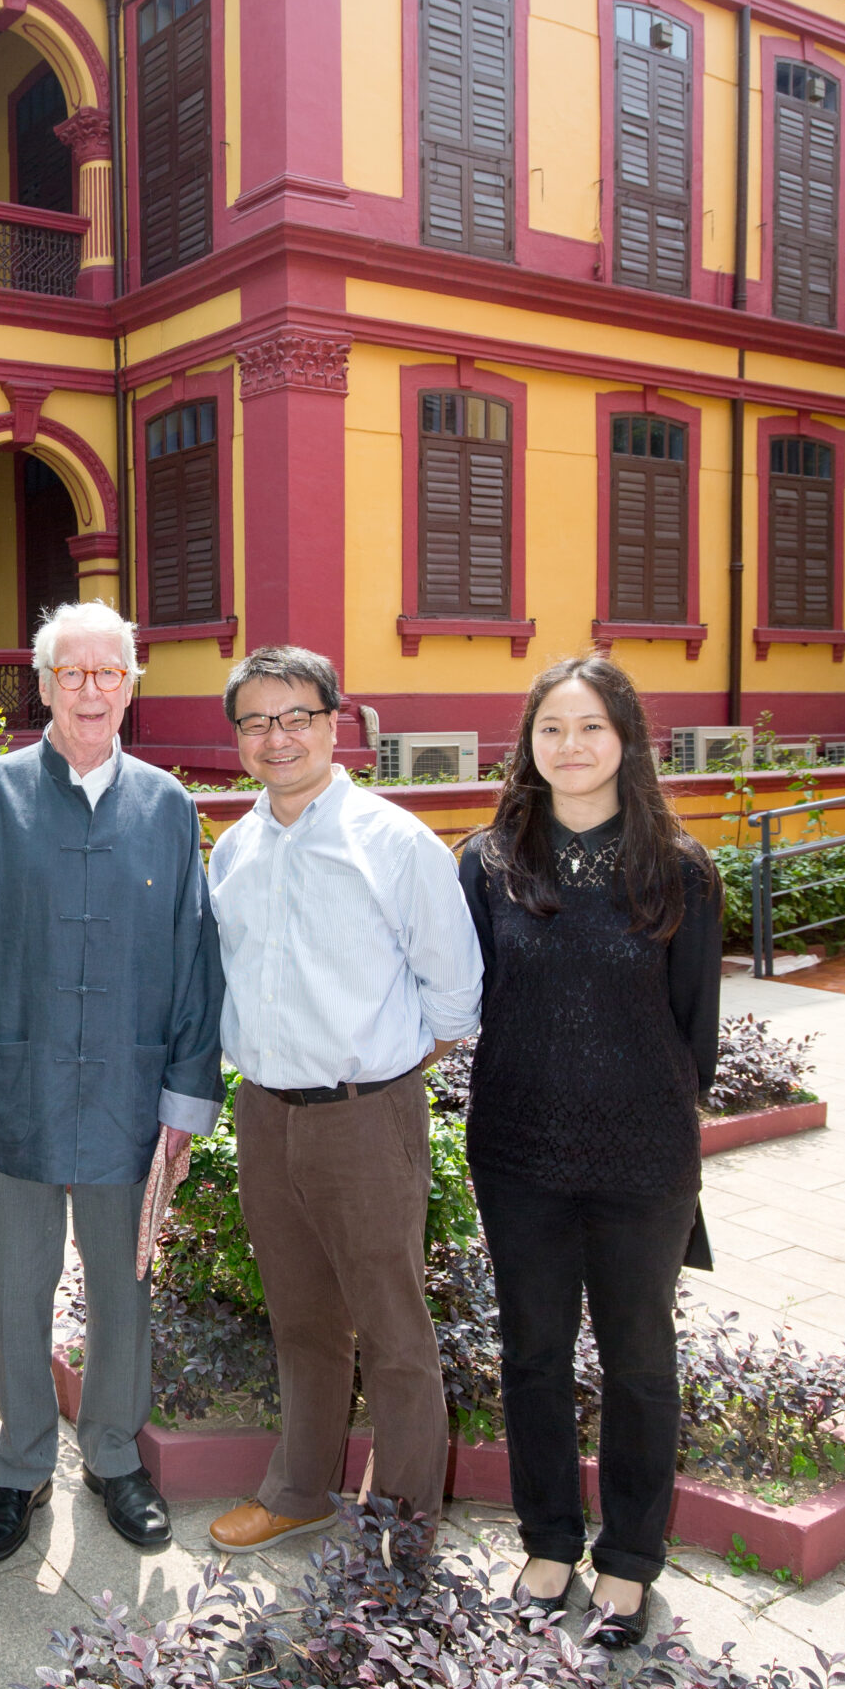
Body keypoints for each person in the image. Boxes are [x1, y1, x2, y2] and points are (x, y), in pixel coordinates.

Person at [0, 598, 224, 1563]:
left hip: (129, 1094)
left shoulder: (166, 806)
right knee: (17, 1287)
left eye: (109, 673)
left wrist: (185, 1096)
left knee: (124, 1285)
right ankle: (19, 1471)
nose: (92, 690)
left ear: (131, 686)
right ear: (43, 686)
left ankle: (114, 1457)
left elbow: (194, 955)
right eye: (72, 673)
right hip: (12, 1087)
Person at [457, 655, 722, 1647]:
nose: (569, 745)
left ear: (626, 739)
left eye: (590, 727)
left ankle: (629, 1561)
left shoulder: (679, 868)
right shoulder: (486, 864)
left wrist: (649, 1120)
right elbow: (464, 995)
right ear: (528, 744)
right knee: (531, 1353)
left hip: (642, 1161)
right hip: (518, 1152)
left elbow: (695, 1030)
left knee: (639, 1360)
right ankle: (548, 1543)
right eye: (551, 728)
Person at [203, 645, 484, 1558]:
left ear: (335, 724)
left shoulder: (393, 843)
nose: (276, 737)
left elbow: (455, 995)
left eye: (296, 716)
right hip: (264, 1113)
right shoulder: (234, 849)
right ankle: (298, 1492)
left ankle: (403, 1527)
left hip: (367, 1115)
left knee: (393, 1328)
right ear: (238, 736)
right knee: (300, 1319)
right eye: (255, 721)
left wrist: (379, 1074)